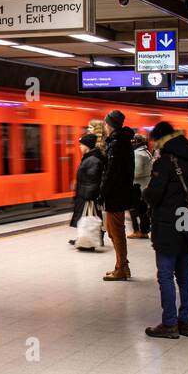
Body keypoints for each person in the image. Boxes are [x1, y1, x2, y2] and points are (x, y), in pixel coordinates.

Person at [143, 121, 188, 339]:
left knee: (166, 275)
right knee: (185, 276)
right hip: (186, 224)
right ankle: (186, 322)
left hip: (167, 227)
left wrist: (145, 193)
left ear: (161, 140)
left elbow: (153, 196)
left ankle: (169, 323)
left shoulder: (165, 163)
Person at [97, 109, 135, 281]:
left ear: (109, 124)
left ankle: (122, 268)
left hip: (116, 194)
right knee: (113, 231)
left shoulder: (118, 143)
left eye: (105, 123)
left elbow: (111, 173)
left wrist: (102, 194)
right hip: (118, 193)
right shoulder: (121, 142)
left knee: (116, 232)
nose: (104, 126)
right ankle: (121, 265)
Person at [68, 132, 105, 249]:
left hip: (87, 194)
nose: (79, 147)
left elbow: (93, 180)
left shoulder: (93, 159)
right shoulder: (89, 158)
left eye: (81, 145)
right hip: (84, 192)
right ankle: (85, 239)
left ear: (87, 146)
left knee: (89, 217)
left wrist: (89, 195)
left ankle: (89, 241)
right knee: (86, 217)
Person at [129, 134, 153, 239]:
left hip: (137, 186)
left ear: (136, 142)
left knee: (134, 209)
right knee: (143, 210)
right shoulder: (146, 152)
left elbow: (137, 172)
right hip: (145, 185)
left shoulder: (137, 154)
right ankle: (145, 231)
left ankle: (137, 230)